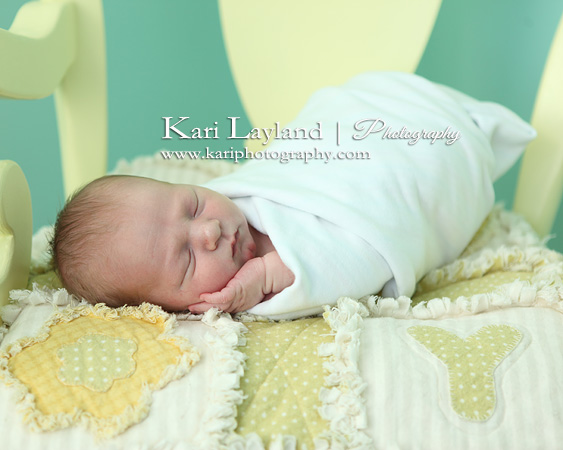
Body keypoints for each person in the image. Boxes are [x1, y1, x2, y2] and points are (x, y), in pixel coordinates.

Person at [51, 72, 537, 320]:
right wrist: (265, 278)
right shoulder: (252, 288)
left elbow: (298, 169)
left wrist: (263, 271)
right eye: (185, 258)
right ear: (171, 308)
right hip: (429, 173)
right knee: (430, 167)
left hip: (383, 123)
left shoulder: (248, 195)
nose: (209, 231)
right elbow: (350, 259)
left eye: (193, 205)